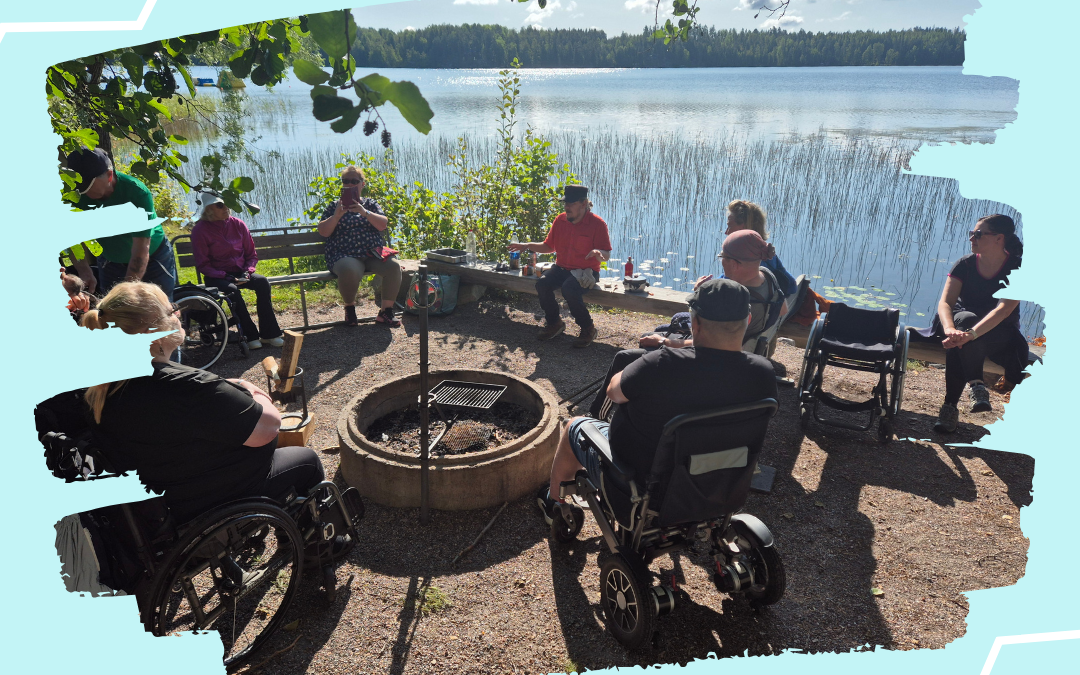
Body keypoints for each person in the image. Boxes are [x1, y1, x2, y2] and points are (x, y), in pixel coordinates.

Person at [78, 281, 325, 524]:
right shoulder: (187, 386)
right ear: (155, 331)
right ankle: (318, 551)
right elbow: (269, 428)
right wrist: (254, 391)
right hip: (207, 503)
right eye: (171, 309)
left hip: (156, 511)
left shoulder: (100, 388)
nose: (178, 313)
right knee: (307, 460)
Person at [538, 278, 778, 520]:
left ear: (695, 322)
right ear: (747, 321)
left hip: (645, 485)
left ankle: (554, 502)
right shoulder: (763, 372)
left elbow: (613, 392)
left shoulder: (660, 364)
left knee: (573, 427)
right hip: (721, 483)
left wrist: (642, 363)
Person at [924, 215, 1029, 433]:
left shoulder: (1017, 268)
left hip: (999, 330)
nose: (972, 238)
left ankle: (950, 408)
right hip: (959, 321)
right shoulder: (965, 264)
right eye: (971, 233)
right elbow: (945, 303)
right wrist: (951, 329)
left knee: (963, 341)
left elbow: (1004, 310)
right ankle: (976, 386)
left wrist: (969, 335)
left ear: (999, 238)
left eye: (978, 234)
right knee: (965, 323)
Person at [637, 230, 785, 351]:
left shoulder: (739, 301)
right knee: (674, 321)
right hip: (749, 341)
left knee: (651, 336)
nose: (721, 261)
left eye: (722, 256)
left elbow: (708, 343)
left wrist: (664, 341)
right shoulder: (767, 275)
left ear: (734, 264)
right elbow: (783, 309)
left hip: (722, 355)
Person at [64, 148, 177, 300]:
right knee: (112, 315)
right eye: (80, 186)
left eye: (89, 185)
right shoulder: (74, 196)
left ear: (109, 175)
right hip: (110, 261)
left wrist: (125, 292)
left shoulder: (136, 193)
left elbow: (140, 250)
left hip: (154, 259)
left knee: (160, 312)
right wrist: (84, 271)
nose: (84, 193)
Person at [508, 184, 612, 348]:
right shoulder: (560, 220)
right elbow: (549, 247)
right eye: (565, 203)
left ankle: (588, 328)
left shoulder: (598, 224)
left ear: (584, 204)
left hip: (585, 272)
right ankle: (555, 323)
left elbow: (606, 254)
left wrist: (600, 254)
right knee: (542, 284)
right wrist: (527, 245)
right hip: (562, 267)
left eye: (571, 203)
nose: (566, 207)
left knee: (569, 289)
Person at [191, 192, 283, 350]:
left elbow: (251, 255)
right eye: (220, 204)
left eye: (227, 203)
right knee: (232, 291)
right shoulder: (200, 230)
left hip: (240, 272)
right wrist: (224, 276)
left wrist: (248, 272)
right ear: (209, 209)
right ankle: (250, 335)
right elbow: (203, 264)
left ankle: (269, 334)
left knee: (262, 282)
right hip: (216, 276)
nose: (226, 207)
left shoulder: (238, 224)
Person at [317, 165, 402, 327]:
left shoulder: (370, 204)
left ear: (362, 184)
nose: (349, 184)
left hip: (372, 253)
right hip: (344, 254)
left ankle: (386, 312)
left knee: (393, 266)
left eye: (354, 181)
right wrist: (336, 216)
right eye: (345, 181)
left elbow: (382, 225)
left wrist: (364, 212)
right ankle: (350, 308)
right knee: (350, 269)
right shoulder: (334, 206)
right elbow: (324, 232)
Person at [722, 200, 797, 296]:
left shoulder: (747, 260)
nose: (726, 232)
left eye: (729, 226)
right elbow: (792, 286)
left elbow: (725, 287)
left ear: (743, 228)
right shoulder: (766, 251)